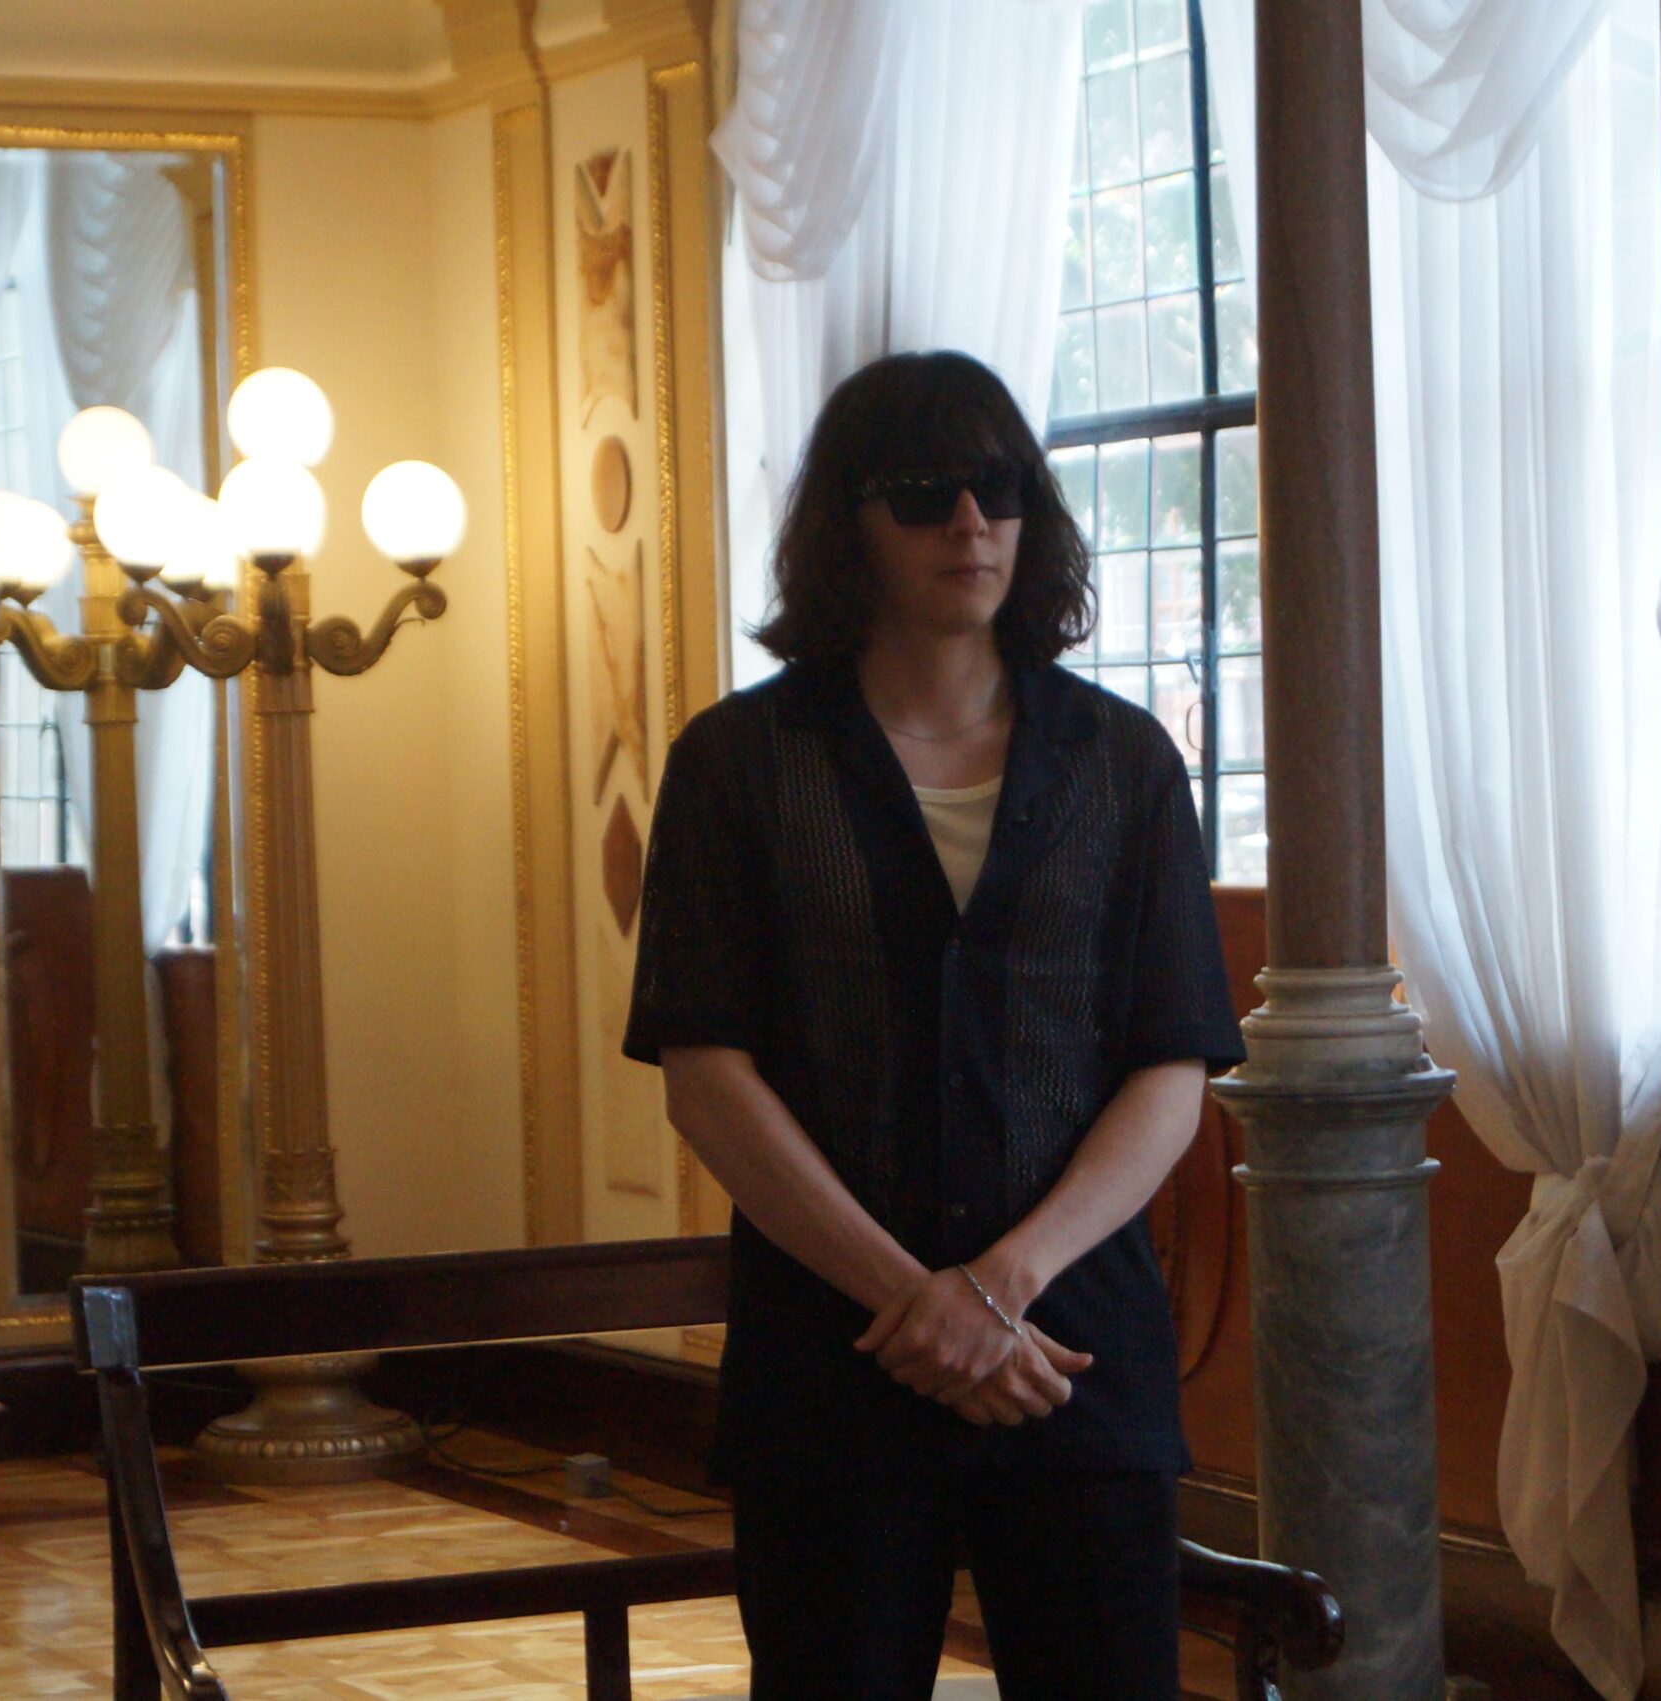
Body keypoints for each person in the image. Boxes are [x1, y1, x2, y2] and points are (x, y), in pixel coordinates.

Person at [624, 349, 1244, 1701]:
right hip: (835, 1360)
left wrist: (997, 1291)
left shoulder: (1126, 763)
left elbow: (1171, 1069)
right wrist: (917, 1302)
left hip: (1070, 1355)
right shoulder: (738, 764)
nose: (972, 523)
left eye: (1000, 488)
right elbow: (707, 1073)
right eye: (924, 494)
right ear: (846, 523)